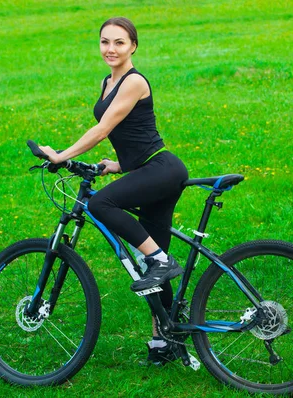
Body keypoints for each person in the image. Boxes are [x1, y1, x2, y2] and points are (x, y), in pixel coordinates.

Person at [38, 17, 189, 366]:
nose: (111, 49)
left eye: (119, 43)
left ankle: (161, 260)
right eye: (105, 42)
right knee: (152, 265)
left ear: (133, 46)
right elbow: (136, 133)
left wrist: (61, 155)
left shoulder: (134, 81)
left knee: (103, 203)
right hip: (150, 168)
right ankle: (164, 341)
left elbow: (105, 128)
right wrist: (116, 166)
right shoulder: (109, 81)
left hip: (162, 170)